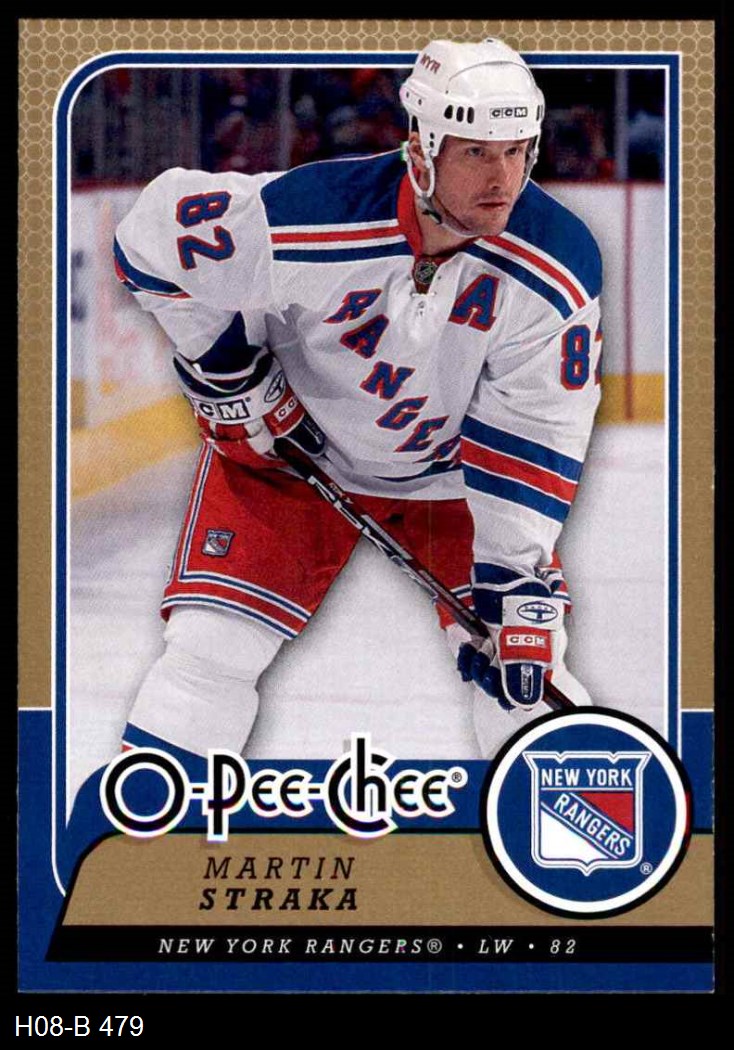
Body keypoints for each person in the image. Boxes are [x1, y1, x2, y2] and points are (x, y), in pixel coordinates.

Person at [114, 38, 602, 764]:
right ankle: (148, 824)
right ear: (423, 148)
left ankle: (564, 832)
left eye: (516, 152)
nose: (503, 179)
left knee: (525, 677)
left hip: (454, 486)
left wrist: (515, 584)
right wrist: (226, 370)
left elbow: (535, 431)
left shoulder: (555, 265)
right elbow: (149, 237)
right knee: (210, 651)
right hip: (291, 459)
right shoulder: (306, 217)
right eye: (476, 152)